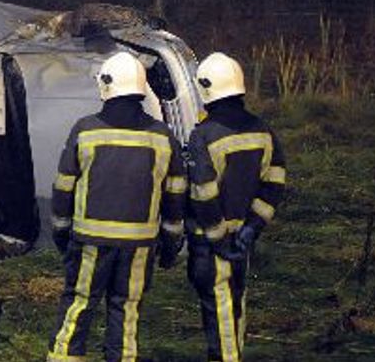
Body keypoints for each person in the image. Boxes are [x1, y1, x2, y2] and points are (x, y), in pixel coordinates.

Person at [47, 51, 187, 362]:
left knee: (79, 305)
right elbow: (175, 195)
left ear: (106, 85)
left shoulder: (85, 130)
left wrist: (61, 231)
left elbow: (64, 187)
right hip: (139, 246)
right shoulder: (163, 136)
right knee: (126, 310)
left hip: (90, 244)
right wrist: (170, 242)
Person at [185, 52, 287, 362]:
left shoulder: (203, 135)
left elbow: (203, 194)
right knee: (236, 305)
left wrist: (218, 238)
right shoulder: (263, 130)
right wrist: (253, 227)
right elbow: (274, 182)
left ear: (206, 90)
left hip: (211, 242)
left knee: (219, 312)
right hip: (244, 238)